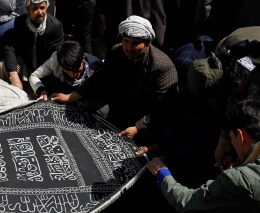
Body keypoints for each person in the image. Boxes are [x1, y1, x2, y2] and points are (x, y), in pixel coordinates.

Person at [146, 100, 260, 213]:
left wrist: (162, 173)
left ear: (240, 135)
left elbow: (186, 200)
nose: (231, 144)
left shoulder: (240, 179)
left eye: (232, 139)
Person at [52, 16, 177, 144]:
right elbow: (102, 77)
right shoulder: (117, 51)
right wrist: (72, 96)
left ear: (147, 43)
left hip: (144, 116)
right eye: (126, 41)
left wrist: (138, 127)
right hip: (122, 106)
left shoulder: (162, 66)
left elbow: (161, 107)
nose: (129, 47)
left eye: (135, 43)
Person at [0, 0, 64, 90]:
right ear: (27, 9)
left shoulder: (55, 26)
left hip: (46, 67)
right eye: (35, 9)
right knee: (2, 65)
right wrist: (14, 76)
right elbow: (10, 47)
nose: (40, 12)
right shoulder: (20, 22)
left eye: (42, 8)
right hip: (26, 64)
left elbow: (57, 55)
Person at [30, 40, 103, 100]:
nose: (73, 75)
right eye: (68, 71)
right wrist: (42, 91)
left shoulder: (96, 66)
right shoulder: (56, 59)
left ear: (83, 59)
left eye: (76, 70)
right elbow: (34, 76)